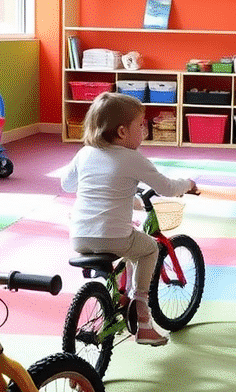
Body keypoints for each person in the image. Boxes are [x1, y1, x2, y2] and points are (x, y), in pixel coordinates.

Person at [61, 92, 199, 346]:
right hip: (112, 237)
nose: (144, 129)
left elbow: (67, 185)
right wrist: (188, 184)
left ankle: (120, 299)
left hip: (79, 237)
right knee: (149, 248)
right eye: (141, 124)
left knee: (131, 240)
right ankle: (143, 317)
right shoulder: (132, 158)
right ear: (123, 132)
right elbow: (167, 187)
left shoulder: (85, 153)